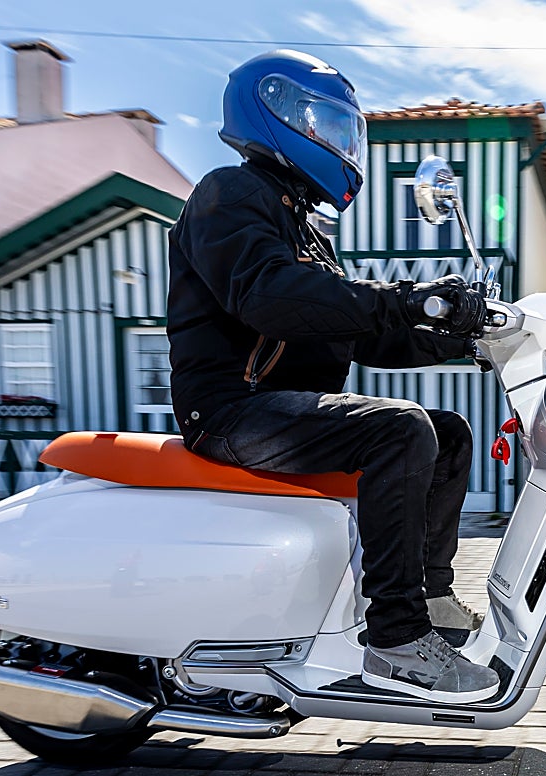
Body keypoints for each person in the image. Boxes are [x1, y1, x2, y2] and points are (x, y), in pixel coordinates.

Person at [166, 50, 499, 704]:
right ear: (279, 113)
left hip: (284, 407)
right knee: (399, 429)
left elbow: (358, 330)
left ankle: (430, 598)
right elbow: (268, 295)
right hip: (231, 411)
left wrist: (461, 341)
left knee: (449, 434)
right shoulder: (229, 194)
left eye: (346, 131)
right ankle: (397, 640)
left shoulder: (302, 225)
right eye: (328, 125)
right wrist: (411, 298)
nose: (341, 142)